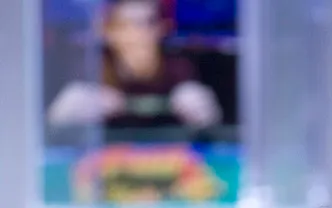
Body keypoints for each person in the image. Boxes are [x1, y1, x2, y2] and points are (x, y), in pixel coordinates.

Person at [47, 0, 222, 132]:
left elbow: (218, 135)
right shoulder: (90, 70)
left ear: (163, 28)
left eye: (149, 23)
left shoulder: (181, 69)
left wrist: (206, 115)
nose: (139, 35)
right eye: (126, 25)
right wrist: (63, 117)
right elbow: (51, 134)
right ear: (107, 31)